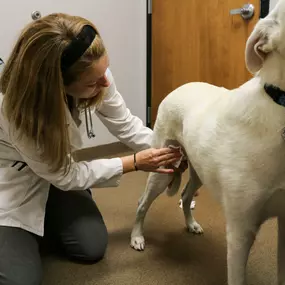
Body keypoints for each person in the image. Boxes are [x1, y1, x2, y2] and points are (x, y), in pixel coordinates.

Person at [0, 13, 186, 285]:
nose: (105, 84)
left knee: (91, 247)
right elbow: (65, 175)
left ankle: (40, 227)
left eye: (104, 72)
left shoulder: (97, 74)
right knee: (20, 280)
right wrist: (134, 162)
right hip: (13, 182)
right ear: (56, 85)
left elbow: (126, 126)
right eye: (93, 82)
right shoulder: (16, 110)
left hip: (56, 176)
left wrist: (172, 148)